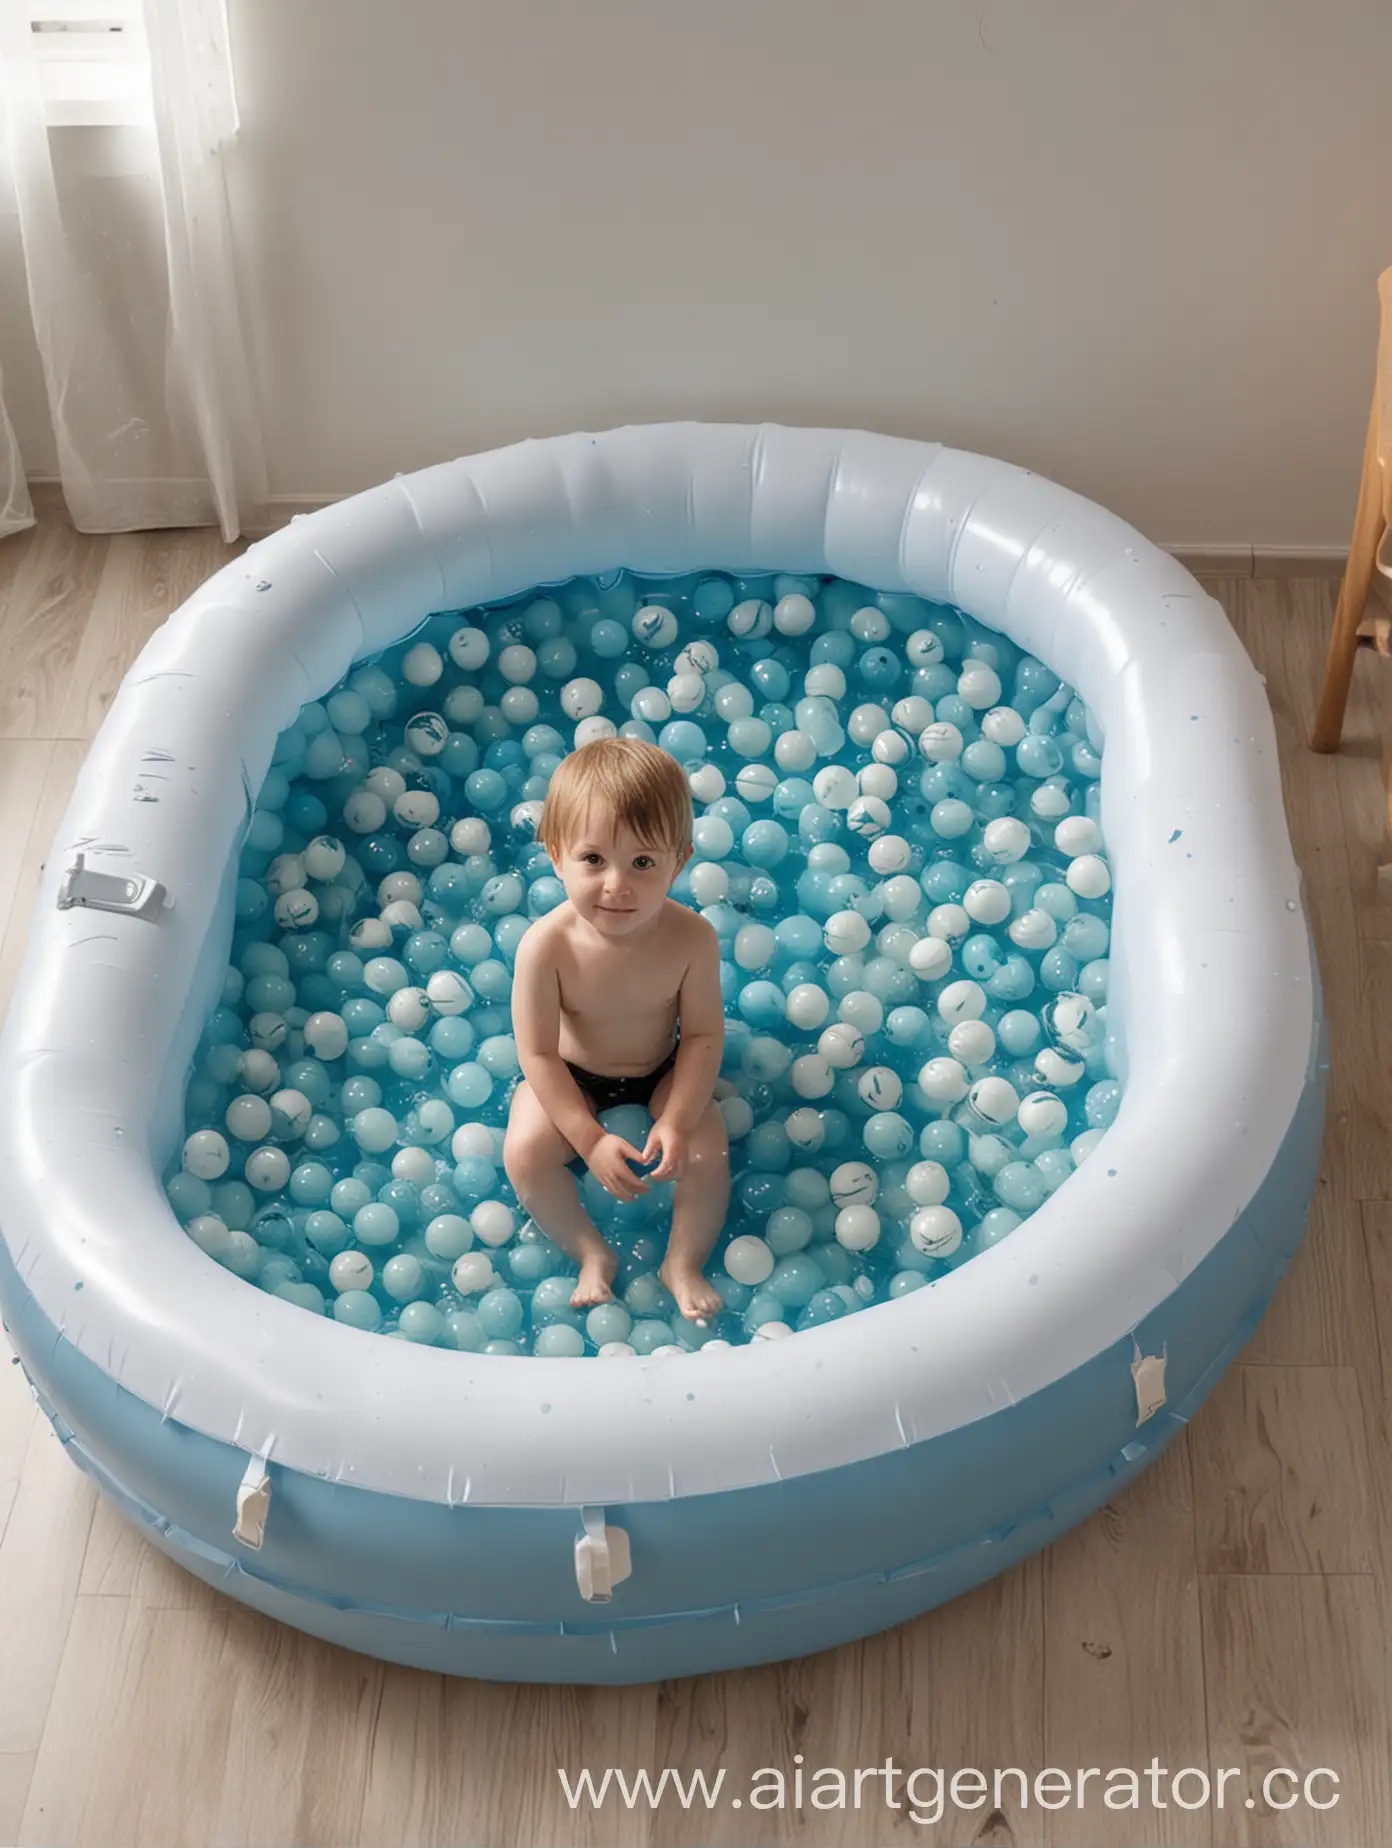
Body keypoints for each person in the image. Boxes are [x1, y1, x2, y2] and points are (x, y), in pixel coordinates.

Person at [504, 736, 729, 1321]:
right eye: (593, 859)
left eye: (643, 862)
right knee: (525, 1152)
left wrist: (677, 1120)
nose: (617, 885)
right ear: (556, 855)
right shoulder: (545, 948)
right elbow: (537, 1054)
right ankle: (590, 1252)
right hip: (573, 1074)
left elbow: (703, 1036)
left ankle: (682, 1261)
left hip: (660, 1069)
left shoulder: (692, 938)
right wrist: (589, 1139)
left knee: (707, 1147)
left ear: (679, 861)